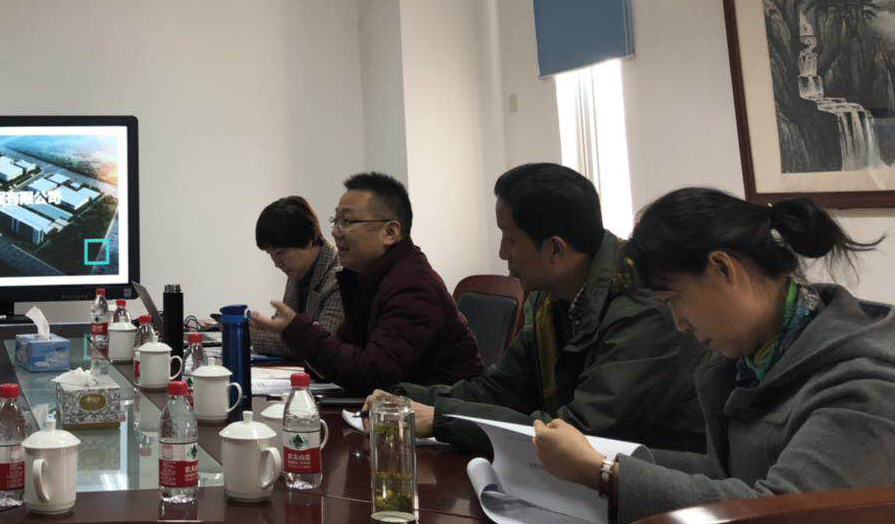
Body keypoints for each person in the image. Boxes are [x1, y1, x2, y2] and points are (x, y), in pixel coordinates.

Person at [533, 187, 895, 524]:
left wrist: (603, 473)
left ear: (723, 268)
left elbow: (782, 510)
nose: (679, 324)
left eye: (675, 300)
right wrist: (603, 458)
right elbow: (728, 474)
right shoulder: (756, 359)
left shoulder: (862, 384)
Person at [366, 162, 706, 453]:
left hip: (660, 492)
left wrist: (442, 420)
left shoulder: (645, 309)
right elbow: (503, 389)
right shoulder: (550, 297)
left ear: (555, 249)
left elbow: (577, 431)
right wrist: (407, 398)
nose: (502, 252)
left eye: (510, 238)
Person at [251, 171, 483, 395]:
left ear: (390, 232)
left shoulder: (413, 287)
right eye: (335, 220)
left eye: (347, 221)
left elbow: (371, 374)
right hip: (393, 406)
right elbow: (343, 355)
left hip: (441, 413)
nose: (335, 232)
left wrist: (297, 330)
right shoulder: (368, 276)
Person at [249, 196, 344, 360]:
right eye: (270, 254)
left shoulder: (340, 276)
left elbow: (322, 343)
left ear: (309, 239)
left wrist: (253, 336)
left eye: (280, 253)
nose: (276, 263)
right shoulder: (299, 270)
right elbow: (283, 328)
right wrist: (258, 326)